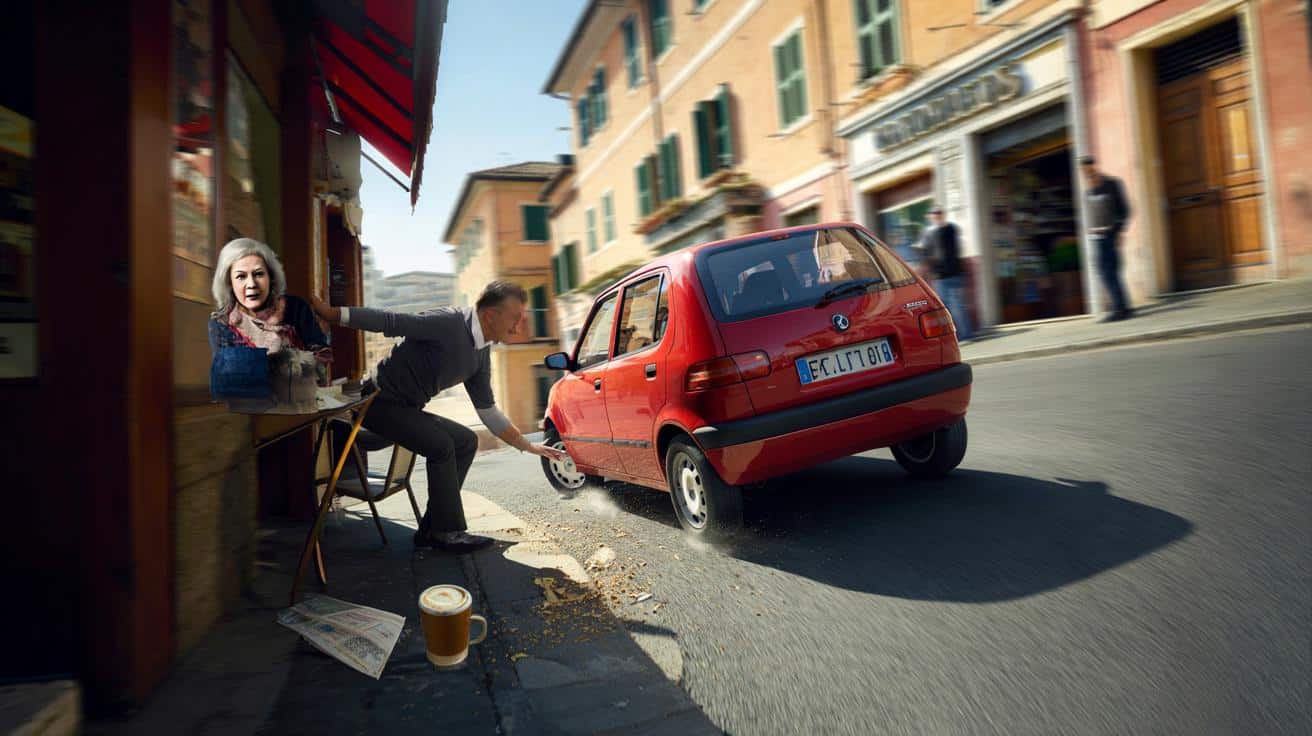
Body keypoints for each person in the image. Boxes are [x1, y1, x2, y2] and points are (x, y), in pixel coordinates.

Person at [309, 280, 566, 553]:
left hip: (407, 409)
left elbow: (487, 410)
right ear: (491, 315)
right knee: (441, 446)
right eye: (515, 319)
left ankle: (433, 529)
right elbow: (391, 321)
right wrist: (332, 314)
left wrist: (528, 446)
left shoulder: (481, 354)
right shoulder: (447, 323)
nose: (518, 327)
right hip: (378, 401)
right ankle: (447, 533)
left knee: (466, 441)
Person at [208, 237, 330, 360]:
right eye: (241, 276)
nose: (251, 284)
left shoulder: (297, 308)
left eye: (259, 274)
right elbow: (227, 373)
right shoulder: (222, 322)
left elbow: (323, 356)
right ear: (229, 283)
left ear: (271, 277)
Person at [1080, 155, 1133, 322]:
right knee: (1108, 272)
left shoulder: (1112, 184)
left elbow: (1125, 210)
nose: (1086, 173)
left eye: (1088, 169)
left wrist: (1119, 231)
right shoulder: (1089, 189)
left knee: (1108, 272)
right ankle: (1124, 307)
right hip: (1097, 237)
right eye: (1083, 171)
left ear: (1094, 166)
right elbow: (1093, 212)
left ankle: (1119, 309)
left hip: (1110, 235)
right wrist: (1089, 228)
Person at [921, 206, 974, 342]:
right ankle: (954, 335)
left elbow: (955, 249)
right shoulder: (929, 233)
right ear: (930, 217)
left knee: (957, 306)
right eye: (934, 214)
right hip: (940, 277)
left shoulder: (951, 229)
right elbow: (926, 253)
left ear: (943, 215)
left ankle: (966, 334)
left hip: (954, 275)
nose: (937, 216)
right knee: (945, 308)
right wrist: (930, 269)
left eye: (939, 213)